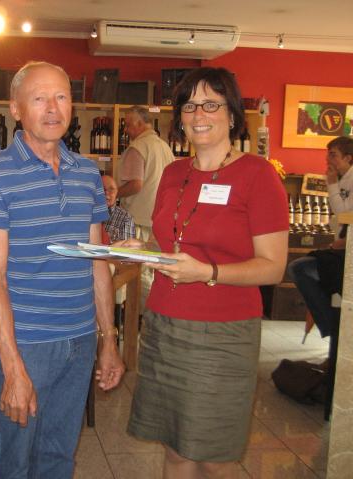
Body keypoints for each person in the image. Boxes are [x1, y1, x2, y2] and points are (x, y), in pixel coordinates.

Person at [125, 67, 288, 478]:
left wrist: (207, 272)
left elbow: (273, 267)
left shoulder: (258, 175)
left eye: (211, 104)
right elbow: (171, 245)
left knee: (215, 455)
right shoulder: (173, 173)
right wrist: (142, 250)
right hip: (163, 326)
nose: (199, 114)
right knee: (175, 448)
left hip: (223, 333)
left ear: (232, 115)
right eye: (190, 105)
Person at [0, 61, 124, 479]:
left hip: (79, 340)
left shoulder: (87, 173)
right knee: (13, 461)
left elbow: (97, 262)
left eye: (61, 97)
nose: (53, 108)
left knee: (59, 457)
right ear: (16, 108)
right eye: (39, 98)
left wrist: (108, 340)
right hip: (25, 342)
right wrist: (12, 366)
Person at [288, 136, 353, 338]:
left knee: (300, 268)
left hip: (347, 252)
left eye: (333, 155)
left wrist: (331, 184)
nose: (328, 159)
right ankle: (331, 328)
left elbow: (344, 213)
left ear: (348, 158)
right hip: (342, 247)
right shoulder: (343, 179)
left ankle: (330, 327)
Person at [116, 106, 174, 309]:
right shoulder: (164, 147)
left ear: (139, 124)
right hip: (159, 217)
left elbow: (135, 184)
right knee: (154, 269)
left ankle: (143, 315)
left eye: (128, 125)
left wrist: (113, 193)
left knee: (138, 273)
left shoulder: (138, 148)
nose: (126, 130)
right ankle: (157, 309)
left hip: (138, 218)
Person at [101, 173, 136, 243]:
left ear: (117, 192)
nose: (106, 192)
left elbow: (127, 248)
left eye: (111, 189)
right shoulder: (87, 214)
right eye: (102, 189)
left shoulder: (126, 218)